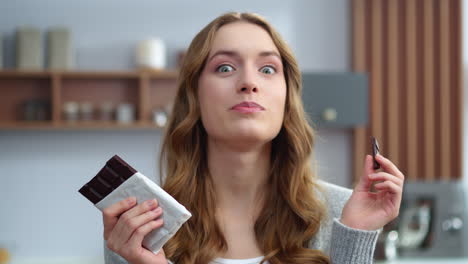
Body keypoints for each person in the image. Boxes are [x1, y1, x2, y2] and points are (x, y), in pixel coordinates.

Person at [102, 12, 404, 264]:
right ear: (194, 95)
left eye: (268, 69)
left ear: (287, 96)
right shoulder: (140, 227)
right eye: (225, 67)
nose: (248, 82)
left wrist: (355, 238)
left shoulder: (343, 213)